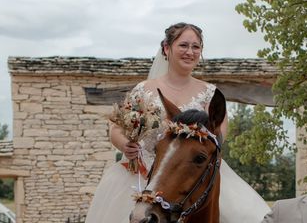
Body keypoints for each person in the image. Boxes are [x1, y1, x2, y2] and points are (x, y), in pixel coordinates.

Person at [85, 22, 271, 223]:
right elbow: (116, 128)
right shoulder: (143, 90)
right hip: (143, 174)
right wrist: (125, 145)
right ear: (167, 48)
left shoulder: (210, 94)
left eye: (196, 47)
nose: (189, 52)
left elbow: (219, 137)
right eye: (183, 45)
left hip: (192, 174)